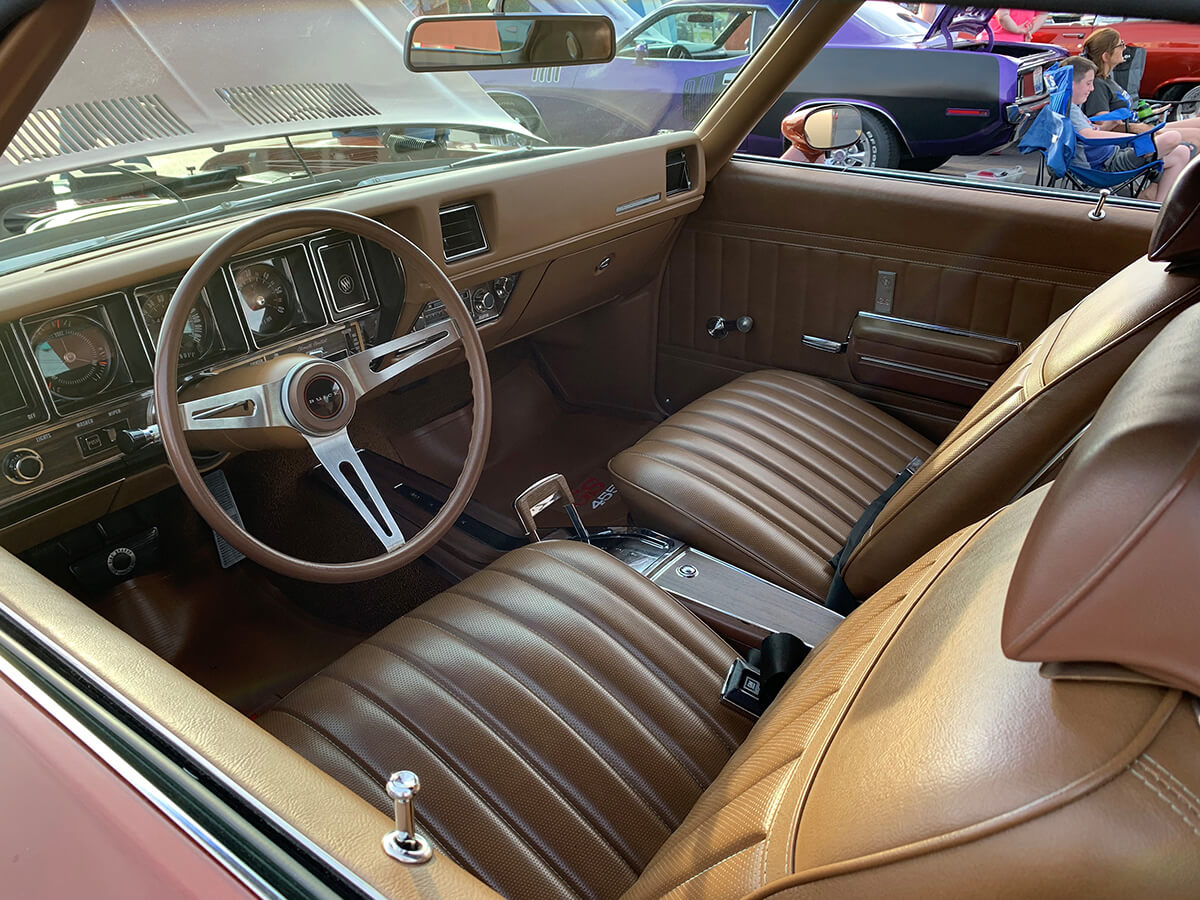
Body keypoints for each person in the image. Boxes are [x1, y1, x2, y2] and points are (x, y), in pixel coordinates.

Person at [1063, 56, 1189, 202]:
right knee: (1172, 137)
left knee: (1181, 152)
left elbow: (1088, 130)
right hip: (1106, 167)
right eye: (1089, 83)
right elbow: (1088, 135)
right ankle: (1155, 206)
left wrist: (1110, 125)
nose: (1091, 89)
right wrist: (1132, 137)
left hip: (1112, 154)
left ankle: (1158, 208)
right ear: (1072, 84)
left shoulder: (1068, 106)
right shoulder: (1070, 110)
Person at [1081, 27, 1200, 149]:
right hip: (1132, 138)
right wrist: (1135, 127)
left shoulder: (1107, 79)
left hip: (1139, 127)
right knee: (1197, 136)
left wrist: (1148, 113)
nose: (1125, 47)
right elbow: (1103, 124)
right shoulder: (1098, 85)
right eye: (1120, 45)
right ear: (1106, 56)